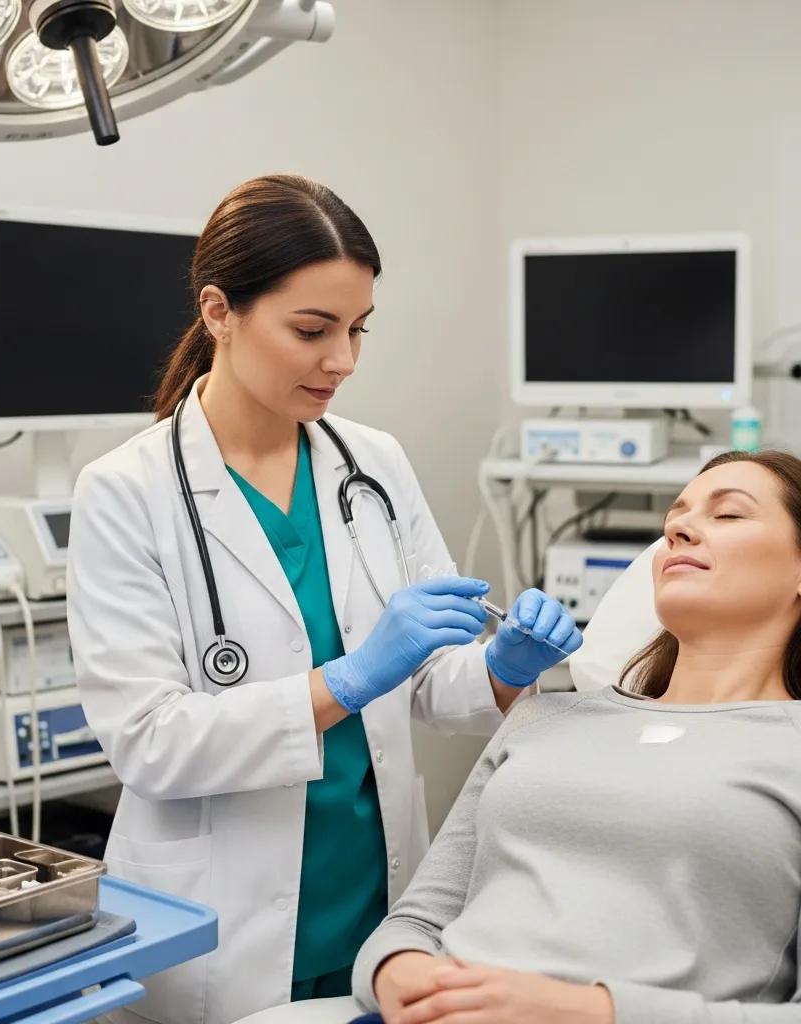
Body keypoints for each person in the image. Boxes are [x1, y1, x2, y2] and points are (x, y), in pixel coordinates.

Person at [67, 174, 579, 1024]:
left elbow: (429, 682)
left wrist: (498, 666)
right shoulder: (127, 490)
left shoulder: (372, 463)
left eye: (355, 329)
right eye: (312, 329)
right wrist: (347, 680)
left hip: (377, 905)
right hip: (219, 929)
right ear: (219, 312)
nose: (341, 359)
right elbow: (150, 744)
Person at [353, 449, 801, 1024]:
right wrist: (404, 977)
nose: (678, 529)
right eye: (676, 518)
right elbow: (415, 923)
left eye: (729, 515)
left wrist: (591, 1010)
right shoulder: (543, 719)